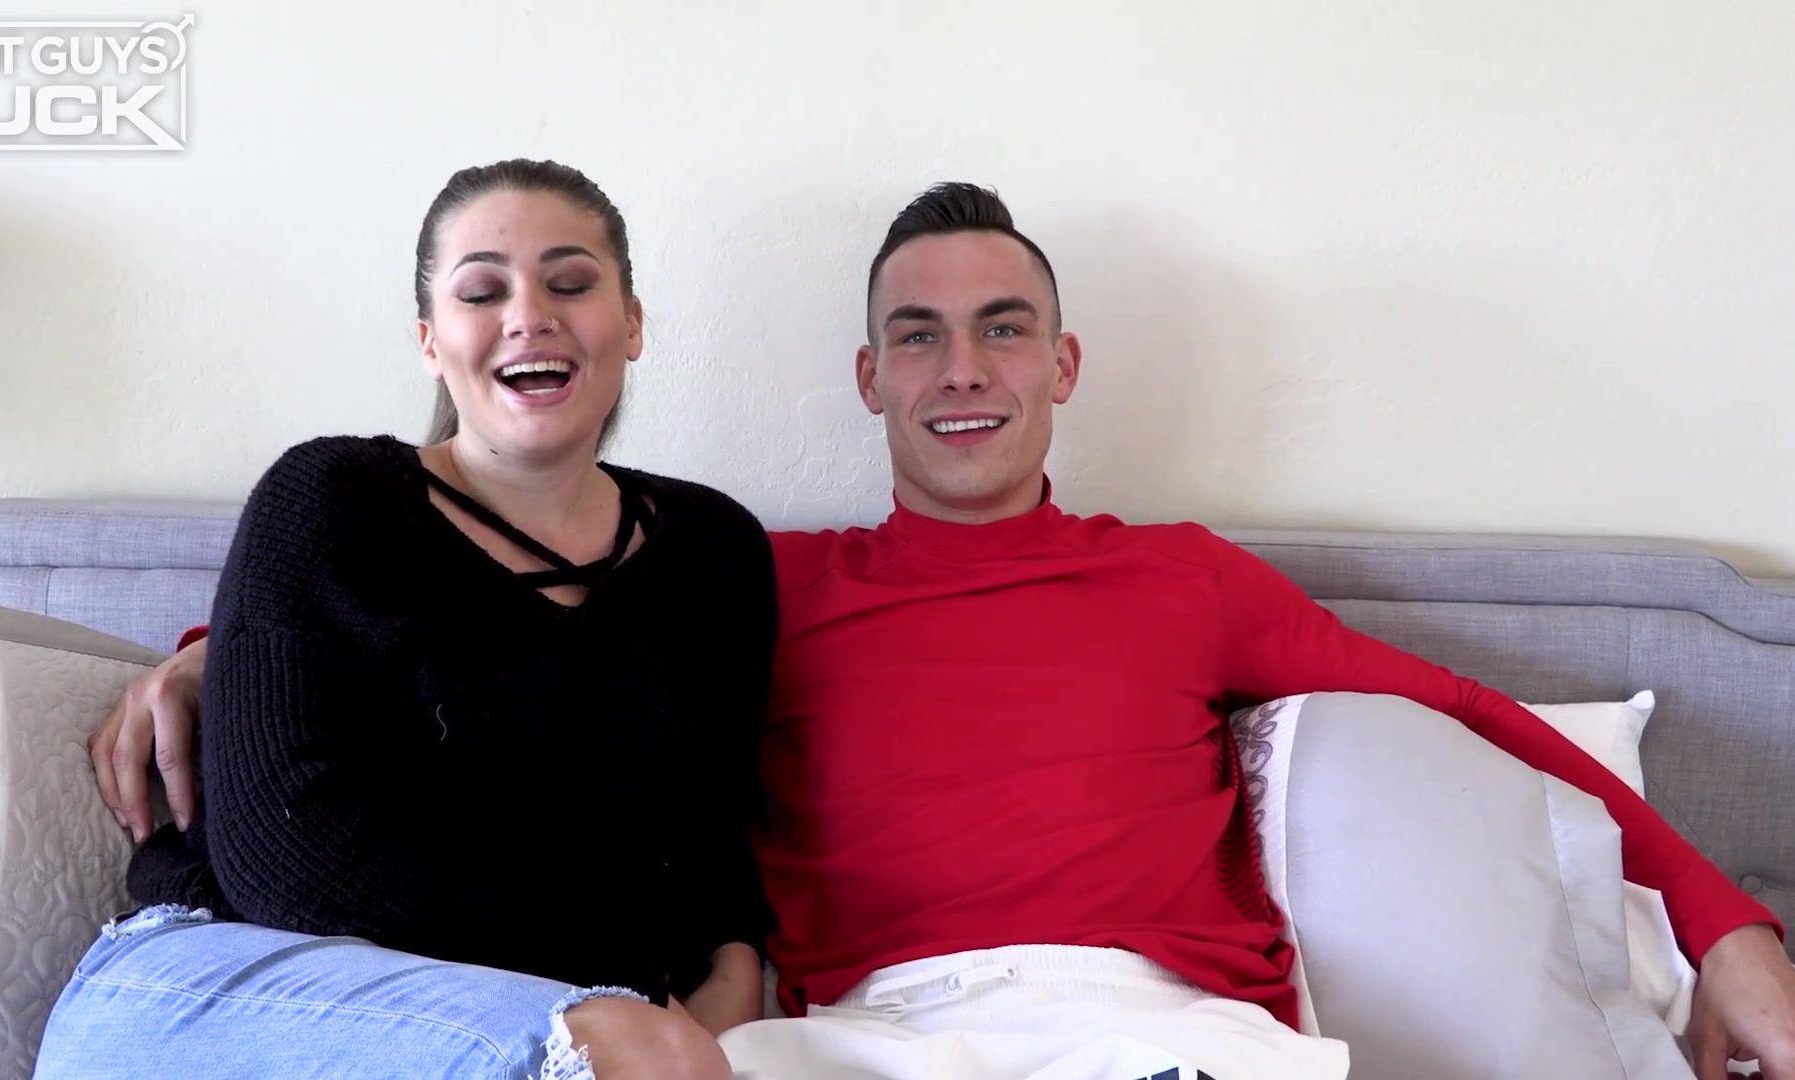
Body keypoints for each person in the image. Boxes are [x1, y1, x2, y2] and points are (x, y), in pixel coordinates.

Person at [89, 182, 1795, 1080]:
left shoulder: (1184, 580)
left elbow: (1474, 716)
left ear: (1062, 365)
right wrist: (215, 648)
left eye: (1002, 328)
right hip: (856, 1038)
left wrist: (1723, 928)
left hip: (1151, 1028)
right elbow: (472, 624)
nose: (960, 368)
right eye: (917, 334)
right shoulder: (750, 579)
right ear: (868, 378)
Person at [38, 159, 778, 1080]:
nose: (529, 315)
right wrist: (628, 982)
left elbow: (708, 840)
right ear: (431, 340)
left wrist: (730, 974)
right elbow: (281, 857)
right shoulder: (330, 499)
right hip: (231, 977)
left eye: (570, 283)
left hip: (552, 1009)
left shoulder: (715, 548)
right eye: (482, 292)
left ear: (631, 323)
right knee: (633, 1052)